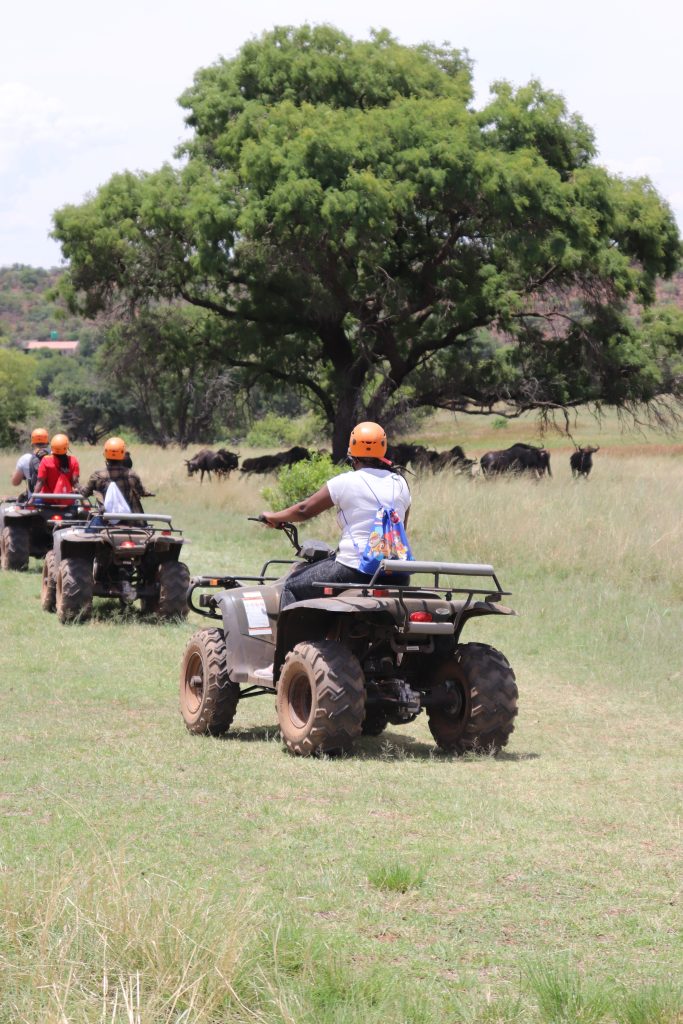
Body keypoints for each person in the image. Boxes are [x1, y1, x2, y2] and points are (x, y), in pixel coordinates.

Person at [261, 421, 411, 609]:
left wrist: (274, 517)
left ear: (352, 450)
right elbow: (400, 530)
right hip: (397, 574)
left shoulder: (344, 481)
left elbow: (304, 510)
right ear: (383, 449)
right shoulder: (401, 483)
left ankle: (292, 639)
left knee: (291, 587)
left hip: (355, 569)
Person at [79, 436, 153, 514]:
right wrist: (149, 493)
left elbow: (85, 493)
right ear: (123, 454)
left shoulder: (97, 476)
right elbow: (141, 492)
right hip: (131, 520)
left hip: (105, 519)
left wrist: (78, 487)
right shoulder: (132, 475)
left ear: (105, 454)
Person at [32, 433, 80, 502]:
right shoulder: (73, 461)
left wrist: (31, 500)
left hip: (47, 501)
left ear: (52, 447)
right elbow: (75, 482)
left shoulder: (45, 460)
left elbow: (40, 482)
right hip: (67, 501)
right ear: (66, 447)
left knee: (36, 501)